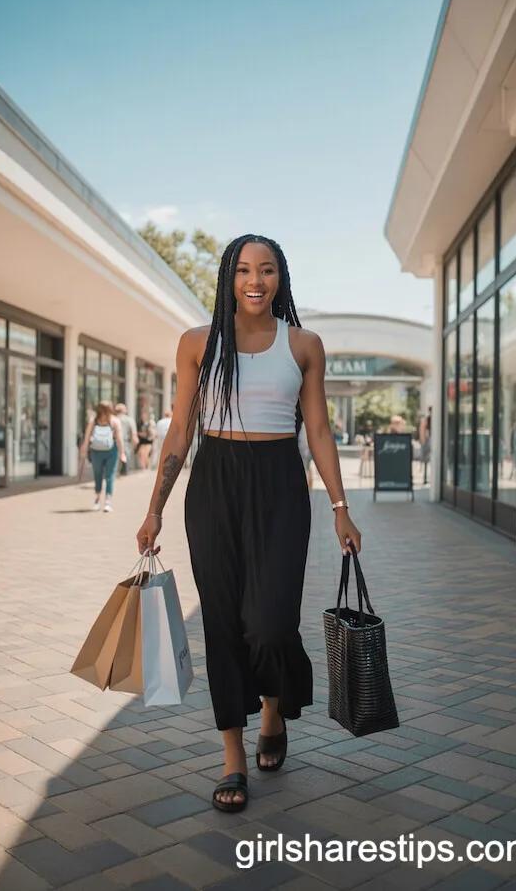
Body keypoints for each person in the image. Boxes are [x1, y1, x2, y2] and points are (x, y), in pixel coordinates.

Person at [135, 234, 361, 815]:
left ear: (280, 278)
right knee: (223, 623)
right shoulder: (197, 343)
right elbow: (182, 430)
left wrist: (340, 508)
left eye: (266, 270)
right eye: (243, 270)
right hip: (214, 484)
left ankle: (271, 708)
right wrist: (155, 507)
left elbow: (319, 432)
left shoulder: (304, 344)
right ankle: (232, 755)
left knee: (271, 621)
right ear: (227, 279)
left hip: (281, 485)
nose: (254, 280)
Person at [79, 401, 126, 512]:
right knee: (110, 476)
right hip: (111, 451)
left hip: (96, 451)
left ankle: (97, 499)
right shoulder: (115, 421)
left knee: (98, 474)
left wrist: (84, 449)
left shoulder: (93, 420)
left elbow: (87, 437)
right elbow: (119, 439)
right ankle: (107, 502)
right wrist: (122, 453)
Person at [114, 403, 138, 476]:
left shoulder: (113, 418)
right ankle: (123, 475)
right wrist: (135, 441)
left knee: (115, 461)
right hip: (125, 443)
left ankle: (115, 474)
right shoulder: (129, 419)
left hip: (113, 442)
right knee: (125, 461)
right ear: (124, 410)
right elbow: (133, 433)